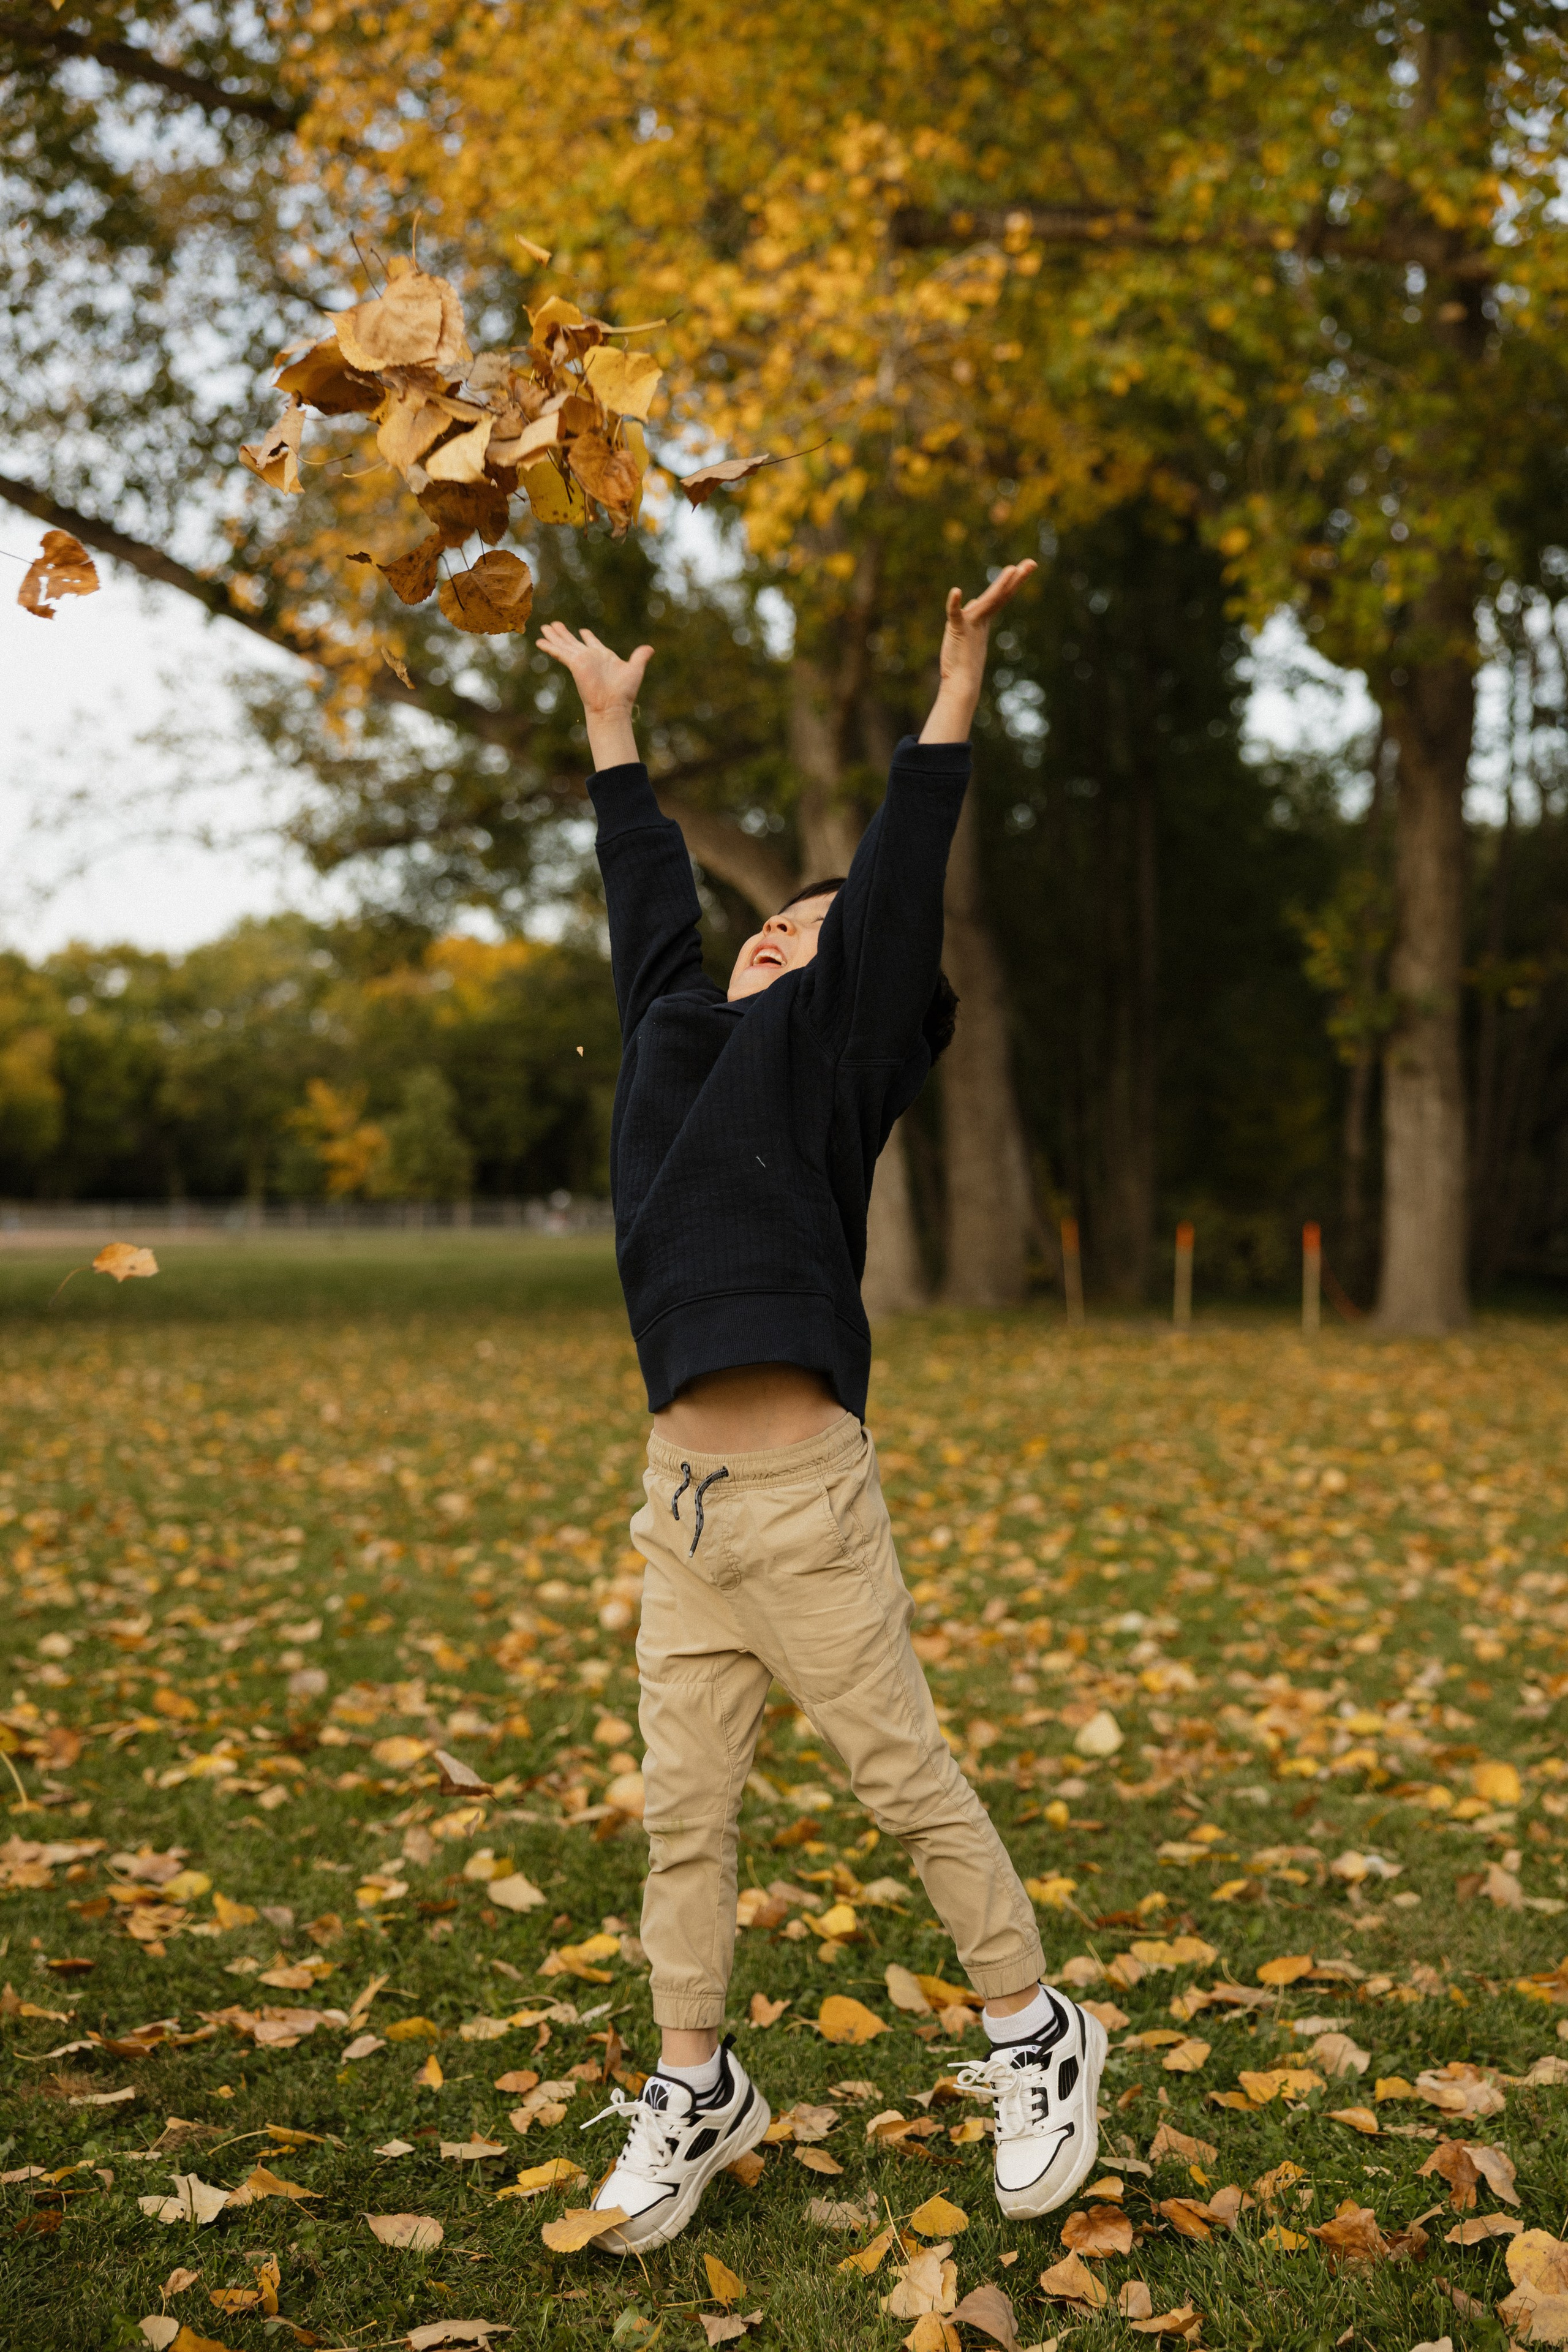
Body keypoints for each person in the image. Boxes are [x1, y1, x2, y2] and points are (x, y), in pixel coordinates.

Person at [538, 564, 1105, 2254]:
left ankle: (1033, 2030)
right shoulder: (676, 1028)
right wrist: (612, 729)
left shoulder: (836, 1059)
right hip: (683, 1509)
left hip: (806, 1495)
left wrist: (954, 680)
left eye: (822, 927)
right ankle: (697, 2085)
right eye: (782, 913)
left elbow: (908, 881)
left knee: (900, 1777)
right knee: (684, 1821)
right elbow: (649, 899)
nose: (786, 927)